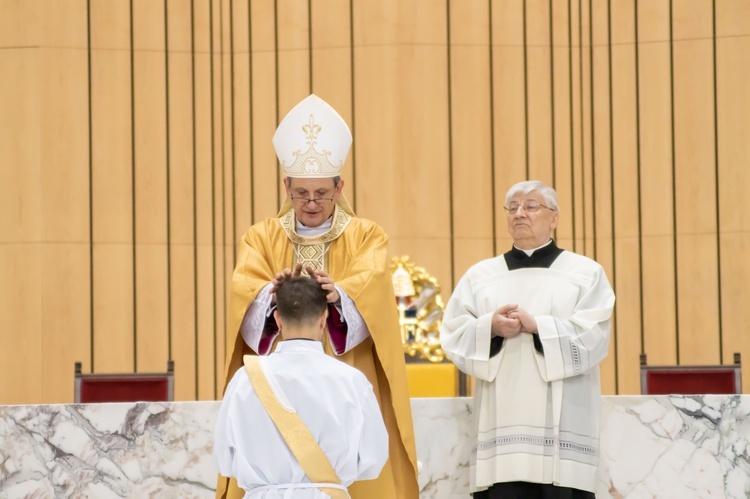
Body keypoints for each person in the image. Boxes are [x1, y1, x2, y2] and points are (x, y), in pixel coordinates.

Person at [215, 94, 419, 499]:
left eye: (322, 194)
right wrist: (274, 296)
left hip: (342, 376)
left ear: (339, 187)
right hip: (276, 383)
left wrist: (338, 295)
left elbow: (374, 285)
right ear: (286, 185)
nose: (311, 204)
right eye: (302, 193)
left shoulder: (365, 235)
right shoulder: (262, 236)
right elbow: (243, 289)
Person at [440, 180, 615, 498]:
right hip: (501, 433)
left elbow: (594, 338)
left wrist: (539, 327)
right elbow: (453, 333)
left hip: (563, 437)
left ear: (554, 218)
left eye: (531, 206)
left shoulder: (585, 274)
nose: (520, 213)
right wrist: (489, 328)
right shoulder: (481, 277)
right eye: (513, 207)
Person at [214, 276, 389, 498]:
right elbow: (373, 458)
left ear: (277, 319)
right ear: (324, 318)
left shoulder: (244, 380)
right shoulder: (353, 381)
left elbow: (225, 460)